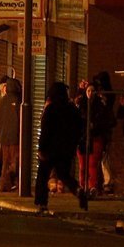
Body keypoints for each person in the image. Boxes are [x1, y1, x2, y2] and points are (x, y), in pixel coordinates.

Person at [35, 82, 85, 213]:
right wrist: (73, 143)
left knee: (43, 175)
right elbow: (80, 128)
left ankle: (41, 203)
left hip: (50, 149)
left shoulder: (51, 109)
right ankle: (77, 189)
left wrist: (41, 148)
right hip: (66, 149)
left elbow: (46, 131)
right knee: (64, 174)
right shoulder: (72, 109)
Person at [76, 80, 116, 197]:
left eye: (93, 91)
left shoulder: (100, 106)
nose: (90, 93)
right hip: (83, 138)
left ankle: (92, 187)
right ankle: (83, 187)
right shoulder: (81, 104)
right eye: (88, 90)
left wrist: (95, 125)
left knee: (92, 164)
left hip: (95, 137)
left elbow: (107, 120)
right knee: (82, 165)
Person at [0, 76, 22, 192]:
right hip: (15, 138)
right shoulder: (18, 101)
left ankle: (4, 184)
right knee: (15, 161)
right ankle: (14, 182)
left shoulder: (1, 101)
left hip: (4, 138)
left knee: (5, 161)